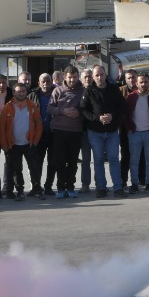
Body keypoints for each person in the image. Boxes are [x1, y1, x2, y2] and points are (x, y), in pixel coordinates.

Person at [81, 64, 126, 199]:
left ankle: (118, 188)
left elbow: (122, 106)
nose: (100, 77)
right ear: (93, 77)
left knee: (113, 159)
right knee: (98, 159)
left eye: (102, 74)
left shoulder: (113, 89)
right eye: (97, 75)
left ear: (106, 75)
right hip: (95, 132)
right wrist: (97, 118)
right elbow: (84, 110)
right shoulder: (88, 91)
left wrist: (112, 116)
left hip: (112, 131)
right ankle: (101, 188)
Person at [0, 83, 42, 200]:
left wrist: (36, 141)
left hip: (30, 144)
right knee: (17, 170)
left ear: (26, 92)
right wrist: (4, 144)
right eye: (18, 91)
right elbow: (1, 128)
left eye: (23, 91)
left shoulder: (32, 106)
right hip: (13, 145)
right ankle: (20, 191)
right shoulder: (7, 108)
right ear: (13, 93)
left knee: (34, 167)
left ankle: (36, 189)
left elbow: (39, 124)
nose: (21, 93)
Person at [49, 66, 85, 199]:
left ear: (78, 77)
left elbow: (87, 108)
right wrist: (62, 111)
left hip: (75, 131)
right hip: (59, 130)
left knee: (73, 161)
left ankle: (70, 187)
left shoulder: (83, 91)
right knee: (59, 161)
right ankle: (60, 188)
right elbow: (50, 108)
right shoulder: (57, 91)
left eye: (74, 77)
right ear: (64, 77)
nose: (72, 80)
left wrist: (79, 112)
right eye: (69, 77)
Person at [35, 72, 54, 195]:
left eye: (48, 81)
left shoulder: (58, 93)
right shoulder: (33, 95)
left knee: (53, 162)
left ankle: (48, 186)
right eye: (43, 81)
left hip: (53, 133)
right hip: (38, 134)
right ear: (39, 83)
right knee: (37, 162)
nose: (46, 84)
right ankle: (36, 186)